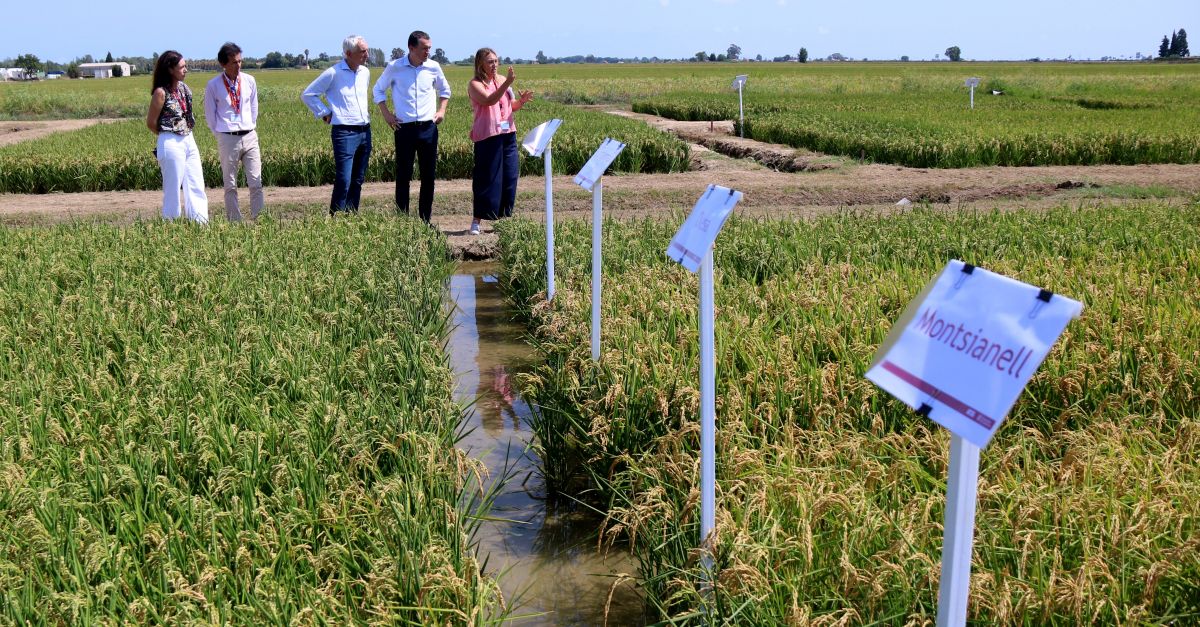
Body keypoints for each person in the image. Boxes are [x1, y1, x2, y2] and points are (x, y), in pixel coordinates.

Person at [372, 30, 451, 223]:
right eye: (424, 48)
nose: (428, 52)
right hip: (404, 129)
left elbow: (445, 90)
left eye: (429, 48)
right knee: (403, 176)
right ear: (411, 48)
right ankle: (403, 220)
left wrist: (441, 111)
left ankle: (425, 220)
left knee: (428, 176)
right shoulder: (395, 67)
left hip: (428, 128)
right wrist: (387, 114)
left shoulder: (433, 67)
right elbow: (378, 89)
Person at [302, 35, 372, 215]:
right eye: (362, 51)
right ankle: (336, 218)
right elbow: (308, 94)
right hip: (344, 133)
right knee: (344, 179)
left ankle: (351, 216)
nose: (367, 54)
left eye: (366, 50)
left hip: (365, 131)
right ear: (348, 53)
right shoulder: (333, 73)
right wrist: (324, 113)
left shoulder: (365, 72)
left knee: (358, 179)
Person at [467, 48, 533, 235]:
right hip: (488, 136)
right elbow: (489, 100)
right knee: (487, 178)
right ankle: (477, 220)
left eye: (496, 61)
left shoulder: (503, 80)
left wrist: (521, 101)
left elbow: (510, 106)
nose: (494, 65)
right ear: (480, 64)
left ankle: (504, 219)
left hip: (508, 134)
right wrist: (507, 84)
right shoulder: (475, 84)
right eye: (490, 62)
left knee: (509, 177)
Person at [145, 51, 208, 224]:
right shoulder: (160, 93)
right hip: (171, 141)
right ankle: (171, 226)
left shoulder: (184, 88)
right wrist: (166, 135)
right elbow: (151, 122)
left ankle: (200, 224)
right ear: (170, 69)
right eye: (182, 67)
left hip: (189, 138)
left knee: (196, 184)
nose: (185, 70)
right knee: (172, 189)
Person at [204, 42, 262, 222]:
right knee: (230, 184)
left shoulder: (249, 80)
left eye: (240, 61)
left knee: (256, 182)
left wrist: (249, 125)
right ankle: (234, 222)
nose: (238, 66)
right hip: (227, 138)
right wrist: (221, 134)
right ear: (224, 64)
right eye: (234, 62)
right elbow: (210, 115)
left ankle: (259, 219)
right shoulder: (213, 85)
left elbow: (254, 107)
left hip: (249, 135)